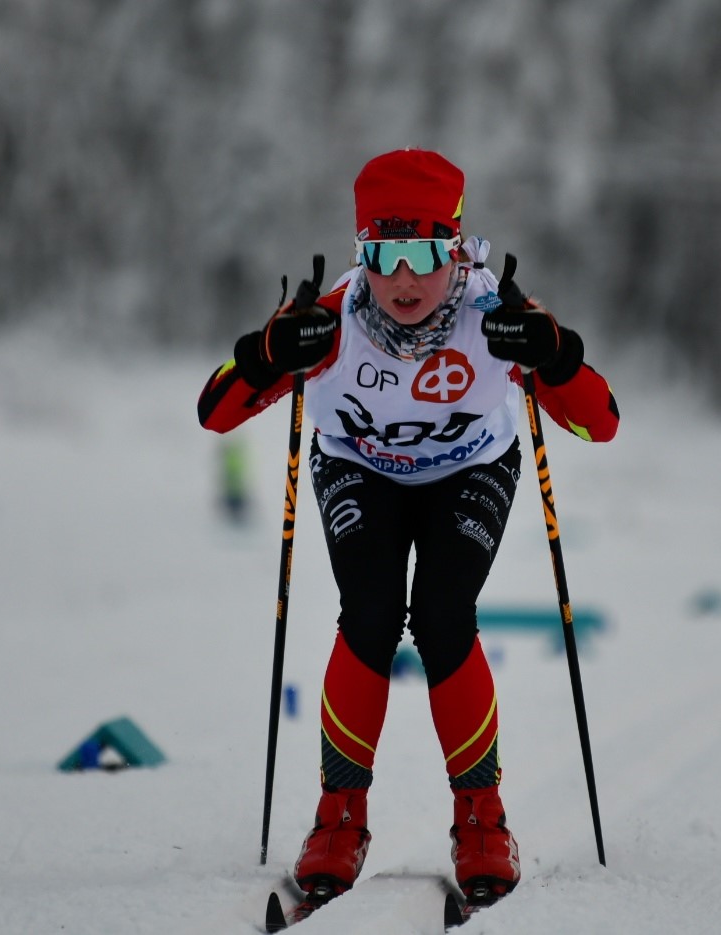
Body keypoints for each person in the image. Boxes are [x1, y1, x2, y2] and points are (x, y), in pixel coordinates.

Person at [197, 148, 619, 904]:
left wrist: (552, 356)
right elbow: (216, 411)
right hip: (360, 468)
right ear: (363, 252)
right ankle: (339, 816)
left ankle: (482, 819)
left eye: (426, 251)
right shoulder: (330, 322)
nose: (404, 278)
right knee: (369, 612)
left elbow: (601, 424)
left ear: (457, 248)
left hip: (472, 467)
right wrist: (267, 354)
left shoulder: (498, 316)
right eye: (384, 253)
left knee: (442, 614)